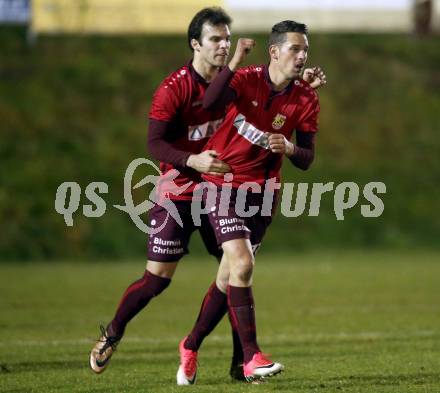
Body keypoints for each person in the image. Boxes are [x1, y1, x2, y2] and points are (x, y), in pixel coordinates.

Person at [177, 20, 322, 383]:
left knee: (229, 276)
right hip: (222, 184)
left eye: (305, 50)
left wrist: (289, 147)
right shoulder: (244, 79)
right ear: (274, 51)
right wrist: (235, 61)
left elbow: (306, 158)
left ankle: (190, 344)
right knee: (242, 263)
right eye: (295, 49)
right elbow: (209, 103)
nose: (302, 56)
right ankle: (251, 357)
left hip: (263, 193)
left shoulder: (306, 97)